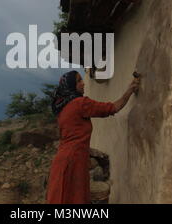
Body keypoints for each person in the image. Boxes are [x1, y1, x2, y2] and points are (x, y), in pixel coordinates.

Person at [46, 70, 140, 204]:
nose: (83, 83)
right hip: (74, 160)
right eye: (79, 81)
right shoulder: (80, 103)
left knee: (63, 198)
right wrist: (130, 90)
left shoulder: (63, 108)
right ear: (71, 86)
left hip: (63, 159)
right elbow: (113, 108)